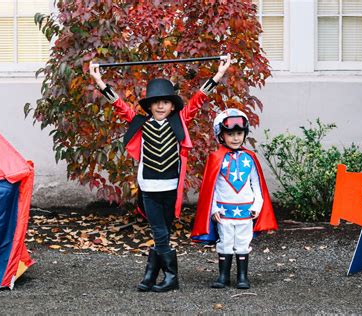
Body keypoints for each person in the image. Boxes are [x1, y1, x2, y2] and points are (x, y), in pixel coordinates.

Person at [89, 55, 231, 292]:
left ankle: (150, 274)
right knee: (159, 231)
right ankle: (171, 277)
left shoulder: (180, 121)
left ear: (173, 105)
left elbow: (198, 100)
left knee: (161, 233)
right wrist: (99, 82)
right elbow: (119, 105)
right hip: (149, 188)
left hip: (171, 188)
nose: (161, 106)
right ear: (149, 106)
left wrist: (218, 75)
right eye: (156, 103)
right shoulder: (141, 123)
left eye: (165, 102)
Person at [191, 108, 278, 289]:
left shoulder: (250, 158)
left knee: (243, 243)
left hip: (245, 211)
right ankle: (223, 276)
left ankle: (242, 277)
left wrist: (258, 205)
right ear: (221, 135)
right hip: (224, 211)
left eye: (239, 133)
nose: (236, 138)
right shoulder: (216, 158)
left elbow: (258, 184)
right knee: (226, 242)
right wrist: (213, 208)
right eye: (230, 134)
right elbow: (211, 188)